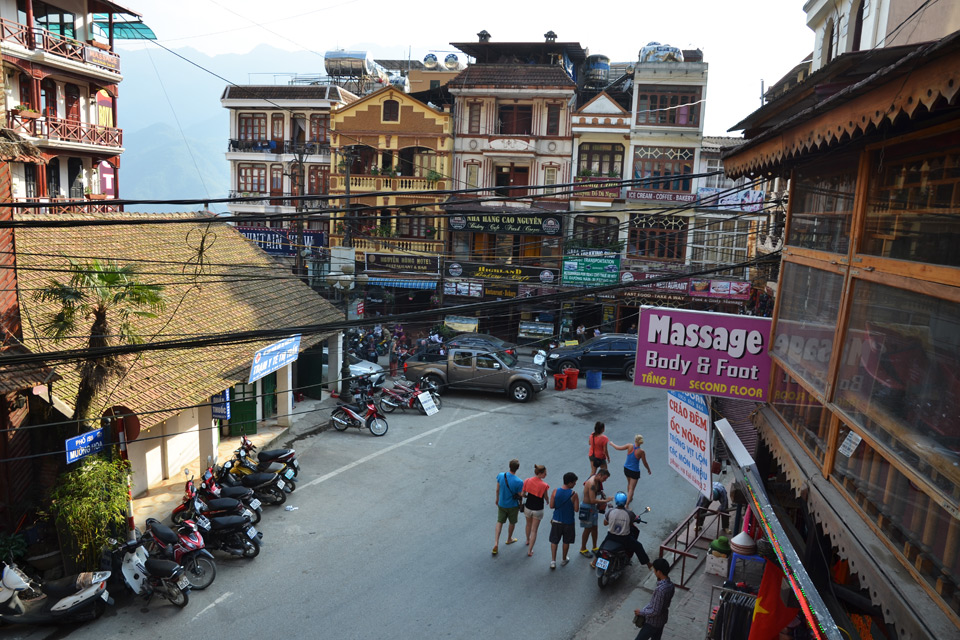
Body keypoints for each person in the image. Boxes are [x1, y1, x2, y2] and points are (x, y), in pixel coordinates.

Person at [598, 491, 652, 569]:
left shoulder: (610, 511)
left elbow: (605, 523)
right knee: (638, 546)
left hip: (610, 536)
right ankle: (649, 564)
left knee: (601, 547)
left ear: (616, 501)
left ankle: (594, 562)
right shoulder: (630, 514)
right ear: (625, 501)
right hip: (624, 539)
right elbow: (630, 524)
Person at [633, 558, 675, 640]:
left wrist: (641, 612)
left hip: (652, 623)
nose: (654, 571)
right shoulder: (671, 585)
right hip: (661, 620)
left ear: (659, 572)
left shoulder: (660, 590)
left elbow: (655, 611)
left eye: (654, 570)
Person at [548, 472, 579, 569]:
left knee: (554, 541)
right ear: (570, 483)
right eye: (574, 482)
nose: (575, 484)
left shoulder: (555, 491)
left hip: (556, 520)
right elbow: (576, 509)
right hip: (568, 522)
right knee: (566, 541)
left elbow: (551, 506)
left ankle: (553, 561)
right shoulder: (573, 494)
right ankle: (564, 559)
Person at [610, 434, 652, 508]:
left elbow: (618, 448)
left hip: (626, 469)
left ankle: (629, 498)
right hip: (634, 471)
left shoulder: (629, 446)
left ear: (635, 440)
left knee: (629, 484)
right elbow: (645, 462)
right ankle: (626, 505)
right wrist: (648, 469)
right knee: (632, 488)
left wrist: (612, 443)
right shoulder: (641, 451)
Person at [493, 459, 524, 555]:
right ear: (517, 468)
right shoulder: (519, 481)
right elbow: (520, 495)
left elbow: (497, 490)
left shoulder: (501, 476)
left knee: (499, 522)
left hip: (502, 503)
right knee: (512, 522)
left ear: (509, 466)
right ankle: (509, 538)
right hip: (512, 506)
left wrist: (497, 499)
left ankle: (496, 542)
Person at [579, 468, 611, 558]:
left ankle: (594, 547)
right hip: (587, 507)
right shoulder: (592, 483)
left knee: (594, 528)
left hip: (592, 508)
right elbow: (592, 500)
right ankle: (583, 548)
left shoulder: (596, 480)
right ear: (599, 475)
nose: (604, 481)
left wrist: (601, 493)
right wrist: (606, 500)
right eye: (604, 478)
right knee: (587, 529)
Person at [521, 465, 549, 557]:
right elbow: (545, 497)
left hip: (528, 507)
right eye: (545, 473)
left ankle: (527, 540)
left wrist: (526, 496)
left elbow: (523, 494)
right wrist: (548, 501)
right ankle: (530, 550)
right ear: (540, 473)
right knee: (534, 531)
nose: (546, 474)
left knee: (528, 524)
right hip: (538, 509)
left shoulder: (527, 481)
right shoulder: (544, 485)